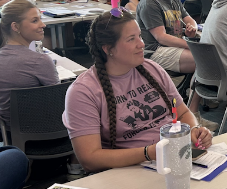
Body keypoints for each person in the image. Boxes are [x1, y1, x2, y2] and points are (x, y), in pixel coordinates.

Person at [62, 10, 213, 173]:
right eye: (131, 39)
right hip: (131, 169)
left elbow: (182, 112)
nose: (141, 44)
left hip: (171, 157)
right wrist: (149, 153)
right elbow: (90, 159)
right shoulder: (83, 91)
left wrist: (194, 129)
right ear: (108, 49)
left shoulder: (152, 69)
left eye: (139, 36)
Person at [136, 0, 215, 130]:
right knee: (202, 60)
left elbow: (190, 19)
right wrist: (191, 45)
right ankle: (193, 114)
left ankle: (192, 107)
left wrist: (192, 27)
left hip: (174, 47)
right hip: (155, 51)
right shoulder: (149, 3)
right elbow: (161, 38)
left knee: (206, 57)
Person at [0, 0, 59, 149]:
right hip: (47, 131)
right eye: (35, 20)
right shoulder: (40, 60)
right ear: (15, 27)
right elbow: (57, 102)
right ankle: (75, 164)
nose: (43, 24)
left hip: (11, 133)